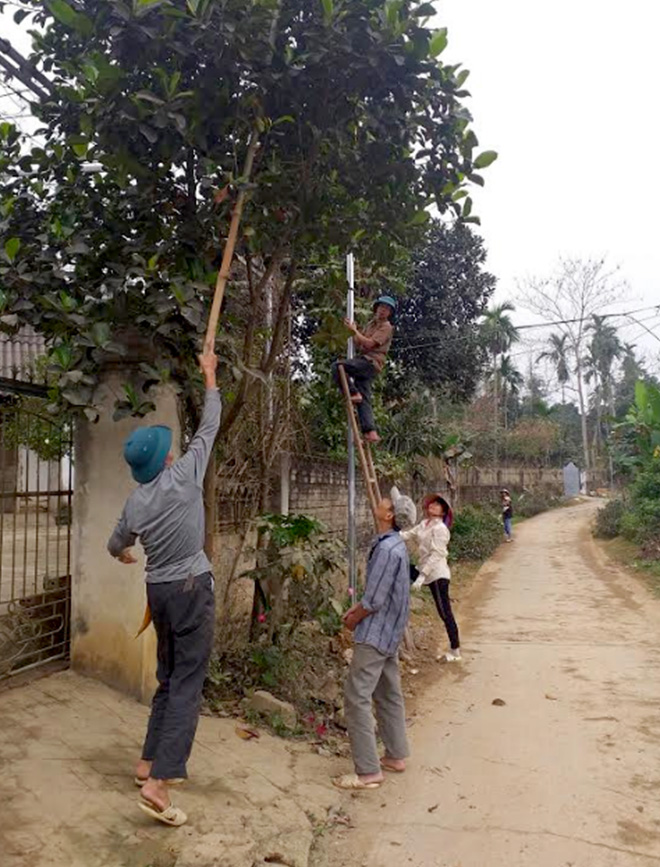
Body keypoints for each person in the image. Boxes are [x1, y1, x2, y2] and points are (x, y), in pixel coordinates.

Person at [107, 346, 221, 827]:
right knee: (187, 685)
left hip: (159, 594)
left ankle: (146, 761)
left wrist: (125, 553)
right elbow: (210, 425)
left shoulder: (136, 503)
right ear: (167, 457)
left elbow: (115, 543)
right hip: (192, 590)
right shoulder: (187, 476)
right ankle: (160, 783)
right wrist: (210, 375)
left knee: (170, 677)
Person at [333, 488, 415, 791]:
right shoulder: (396, 545)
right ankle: (395, 755)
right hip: (390, 633)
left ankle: (367, 771)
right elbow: (380, 594)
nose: (380, 500)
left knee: (356, 697)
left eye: (386, 501)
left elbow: (375, 600)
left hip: (376, 634)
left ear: (389, 515)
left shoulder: (386, 549)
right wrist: (360, 607)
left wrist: (355, 617)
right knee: (389, 693)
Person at [401, 494, 461, 663]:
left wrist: (422, 577)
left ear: (443, 511)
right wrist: (391, 535)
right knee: (402, 568)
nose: (433, 506)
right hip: (423, 569)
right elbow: (408, 535)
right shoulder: (423, 524)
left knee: (444, 612)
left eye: (438, 505)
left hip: (437, 574)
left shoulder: (441, 529)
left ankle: (455, 650)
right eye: (432, 504)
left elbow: (437, 555)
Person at [331, 295, 396, 444]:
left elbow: (368, 344)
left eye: (386, 309)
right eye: (381, 307)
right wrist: (351, 331)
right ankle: (370, 431)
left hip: (371, 362)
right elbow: (360, 343)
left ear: (389, 313)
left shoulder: (386, 327)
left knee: (338, 366)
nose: (382, 311)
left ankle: (353, 392)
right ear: (376, 308)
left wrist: (354, 331)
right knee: (364, 399)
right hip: (364, 360)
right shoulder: (370, 325)